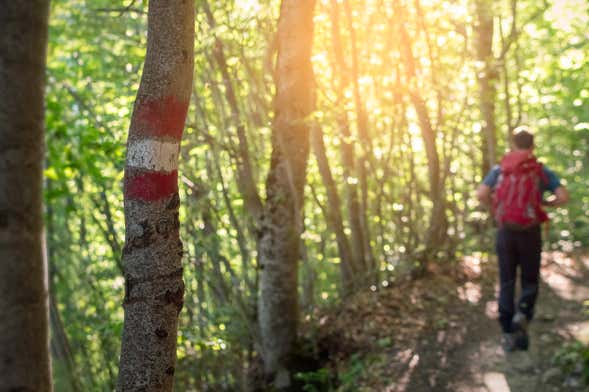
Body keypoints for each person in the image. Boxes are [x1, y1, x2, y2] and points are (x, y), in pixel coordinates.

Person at [476, 126, 569, 352]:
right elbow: (563, 196)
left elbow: (481, 194)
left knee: (507, 279)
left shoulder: (500, 169)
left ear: (513, 144)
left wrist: (497, 207)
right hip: (530, 231)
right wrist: (545, 204)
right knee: (529, 279)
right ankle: (523, 313)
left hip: (505, 231)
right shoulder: (539, 171)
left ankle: (507, 329)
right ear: (532, 146)